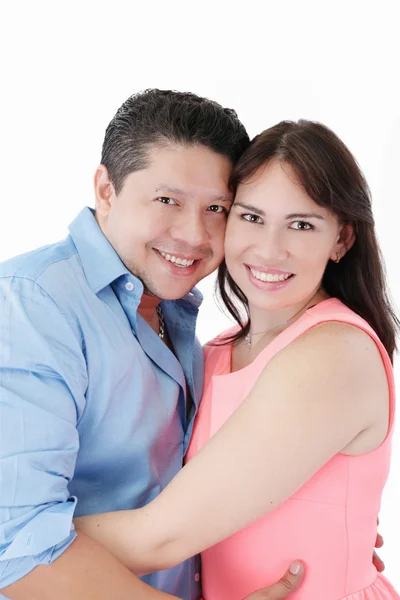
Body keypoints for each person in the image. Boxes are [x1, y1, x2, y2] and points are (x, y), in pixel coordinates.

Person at [74, 120, 399, 599]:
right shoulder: (219, 351)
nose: (269, 249)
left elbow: (161, 536)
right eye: (250, 217)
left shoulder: (334, 353)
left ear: (342, 240)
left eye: (302, 224)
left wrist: (23, 530)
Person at [0, 90, 305, 600]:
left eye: (217, 208)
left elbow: (189, 496)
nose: (193, 234)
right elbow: (17, 551)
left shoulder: (174, 310)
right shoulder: (32, 307)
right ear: (106, 189)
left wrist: (317, 520)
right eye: (168, 200)